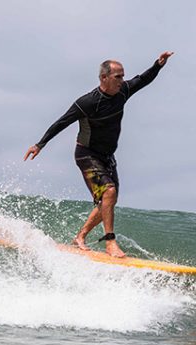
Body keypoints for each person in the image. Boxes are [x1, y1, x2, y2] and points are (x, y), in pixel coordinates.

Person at [24, 51, 174, 257]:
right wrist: (40, 144)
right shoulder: (87, 102)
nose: (123, 80)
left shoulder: (123, 92)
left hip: (107, 156)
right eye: (117, 76)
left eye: (123, 76)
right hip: (87, 154)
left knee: (107, 201)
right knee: (109, 192)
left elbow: (143, 79)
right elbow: (62, 122)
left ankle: (80, 237)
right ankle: (110, 242)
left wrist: (158, 64)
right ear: (104, 77)